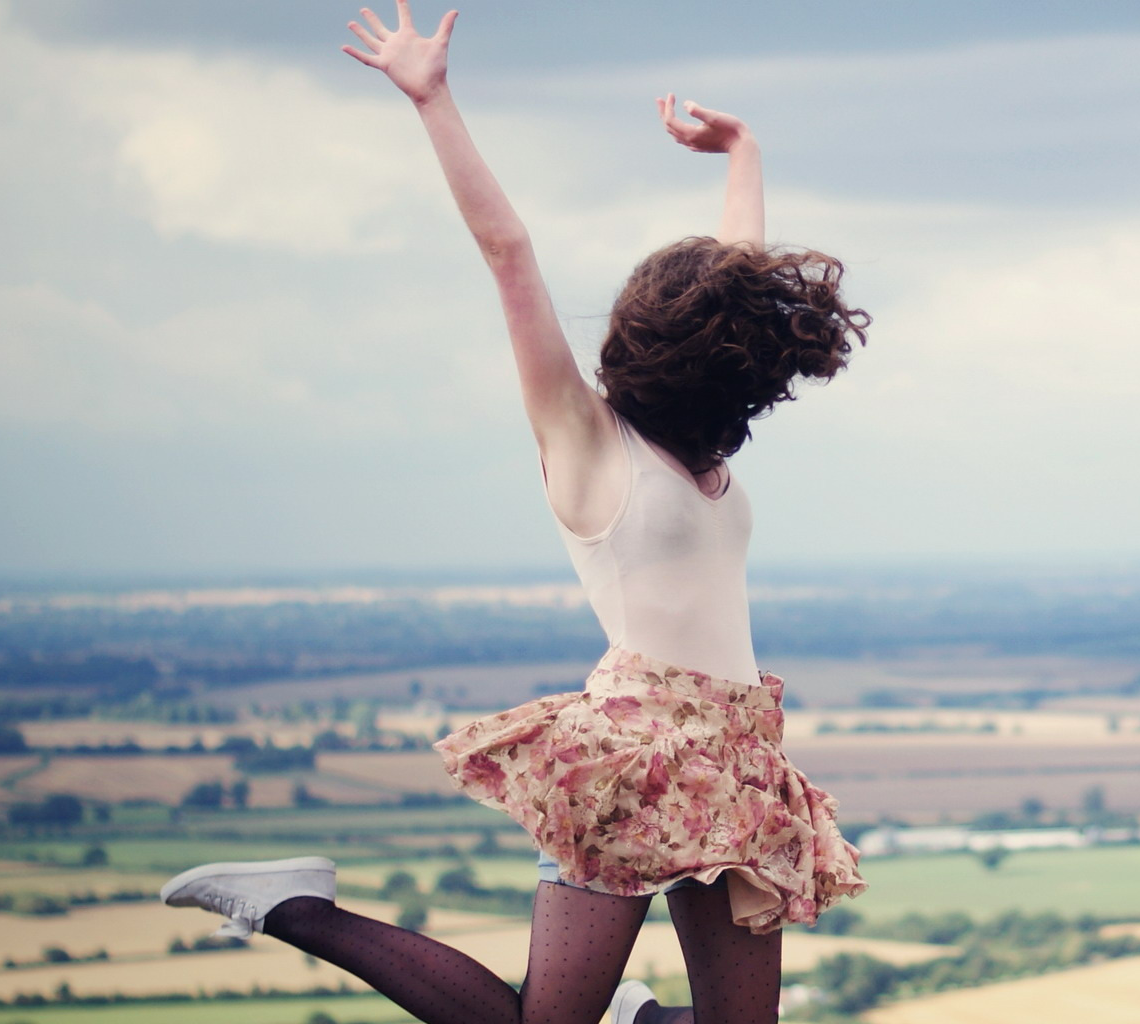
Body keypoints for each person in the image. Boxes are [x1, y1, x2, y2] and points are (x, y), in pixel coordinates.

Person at [157, 5, 869, 1022]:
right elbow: (506, 251)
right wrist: (432, 98)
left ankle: (637, 1017)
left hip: (738, 757)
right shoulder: (587, 440)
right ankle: (297, 907)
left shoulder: (703, 440)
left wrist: (743, 153)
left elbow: (736, 297)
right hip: (629, 755)